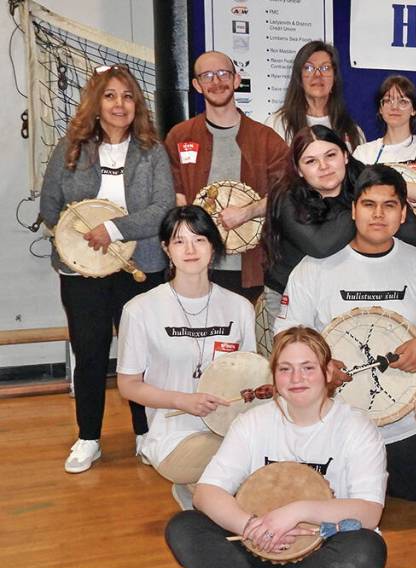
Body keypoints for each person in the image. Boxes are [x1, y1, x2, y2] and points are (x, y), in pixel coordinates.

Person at [164, 326, 387, 568]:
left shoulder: (356, 428)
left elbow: (369, 511)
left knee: (368, 551)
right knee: (183, 527)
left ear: (327, 373)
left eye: (308, 367)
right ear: (275, 376)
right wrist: (250, 526)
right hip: (257, 546)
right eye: (286, 369)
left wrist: (297, 512)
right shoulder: (254, 423)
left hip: (322, 549)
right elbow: (207, 492)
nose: (296, 378)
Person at [276, 165, 416, 501]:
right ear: (353, 210)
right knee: (322, 494)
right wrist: (321, 365)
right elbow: (287, 334)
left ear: (404, 213)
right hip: (333, 418)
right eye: (369, 204)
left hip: (404, 420)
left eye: (389, 205)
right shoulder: (316, 266)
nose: (378, 214)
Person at [39, 64, 175, 474]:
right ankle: (88, 438)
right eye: (111, 95)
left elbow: (162, 209)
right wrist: (78, 230)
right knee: (90, 352)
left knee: (142, 355)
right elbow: (50, 207)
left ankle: (145, 434)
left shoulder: (152, 151)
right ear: (96, 102)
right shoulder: (69, 149)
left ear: (138, 104)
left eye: (128, 96)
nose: (120, 104)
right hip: (82, 273)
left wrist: (112, 228)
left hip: (140, 267)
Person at [117, 206, 256, 508]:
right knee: (246, 470)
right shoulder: (140, 310)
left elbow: (250, 378)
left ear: (214, 245)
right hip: (173, 435)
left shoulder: (240, 307)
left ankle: (200, 494)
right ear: (166, 249)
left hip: (230, 428)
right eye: (180, 241)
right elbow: (128, 386)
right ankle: (208, 493)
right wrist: (182, 400)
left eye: (200, 240)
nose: (190, 250)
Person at [264, 125, 416, 319]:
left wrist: (372, 197)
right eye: (311, 161)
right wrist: (361, 205)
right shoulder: (286, 196)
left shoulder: (367, 180)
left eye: (330, 155)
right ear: (299, 170)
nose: (324, 166)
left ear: (345, 155)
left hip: (346, 294)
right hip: (289, 294)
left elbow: (414, 236)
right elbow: (321, 246)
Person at [164, 50, 290, 300]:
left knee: (235, 338)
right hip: (195, 265)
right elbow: (173, 194)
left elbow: (287, 193)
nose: (216, 81)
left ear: (236, 79)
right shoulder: (180, 136)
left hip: (246, 267)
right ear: (197, 85)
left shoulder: (265, 139)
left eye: (223, 73)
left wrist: (248, 211)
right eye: (207, 76)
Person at [353, 75, 416, 220]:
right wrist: (409, 189)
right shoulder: (364, 152)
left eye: (403, 101)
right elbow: (357, 193)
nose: (394, 107)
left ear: (413, 110)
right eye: (388, 101)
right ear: (380, 109)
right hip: (375, 224)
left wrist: (379, 184)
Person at [264, 40, 363, 149]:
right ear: (299, 78)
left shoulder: (352, 131)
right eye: (309, 68)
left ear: (334, 78)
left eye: (325, 68)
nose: (317, 74)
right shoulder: (277, 125)